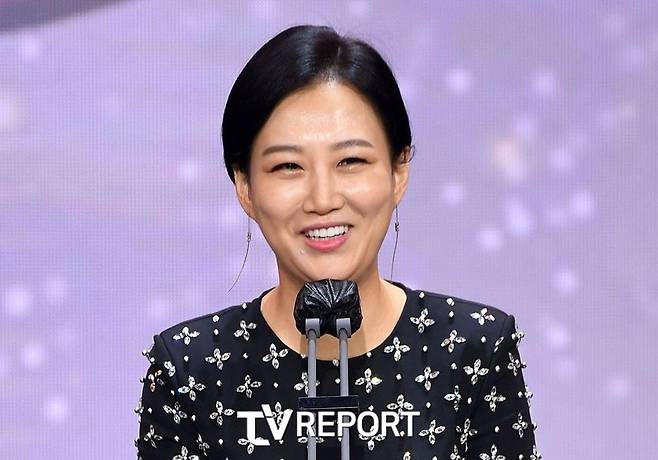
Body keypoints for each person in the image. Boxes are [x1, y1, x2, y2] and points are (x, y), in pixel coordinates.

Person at [135, 24, 540, 459]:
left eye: (350, 161)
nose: (323, 200)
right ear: (245, 186)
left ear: (398, 171)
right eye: (288, 166)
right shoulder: (191, 369)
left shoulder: (472, 351)